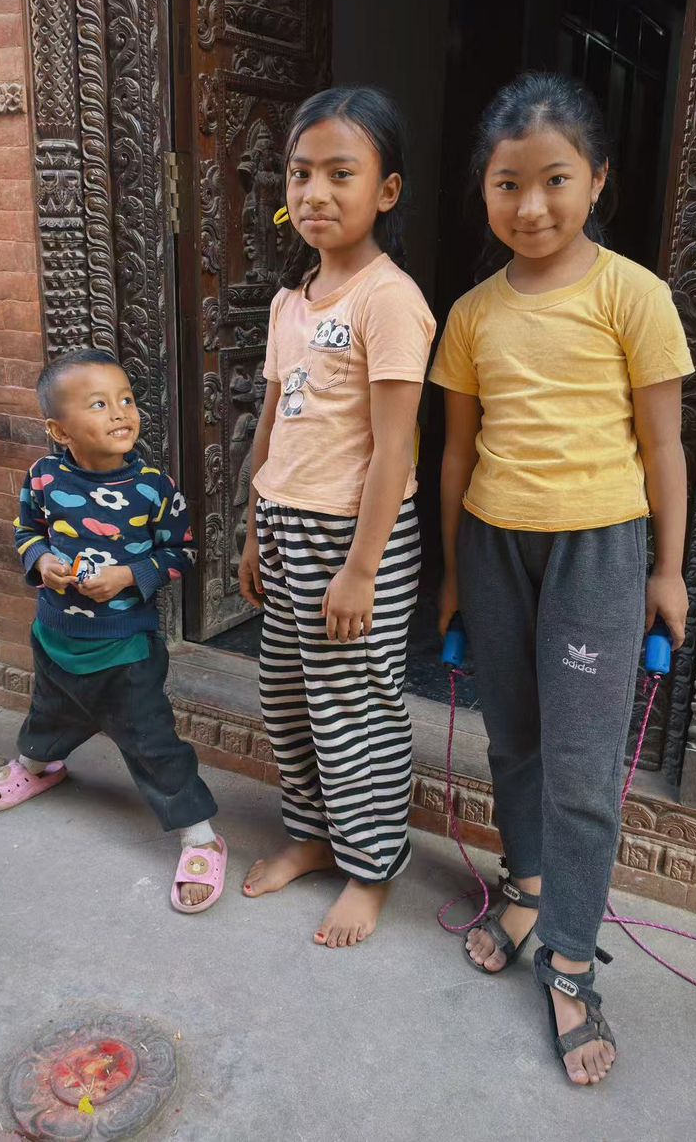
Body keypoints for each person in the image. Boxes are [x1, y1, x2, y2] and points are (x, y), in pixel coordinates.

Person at [431, 72, 693, 1084]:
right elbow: (456, 453)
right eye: (508, 184)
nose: (531, 205)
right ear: (484, 190)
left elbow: (663, 446)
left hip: (598, 552)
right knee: (516, 741)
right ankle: (528, 887)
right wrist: (453, 573)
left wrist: (668, 571)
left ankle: (573, 960)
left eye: (554, 180)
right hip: (495, 547)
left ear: (597, 180)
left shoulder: (634, 293)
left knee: (582, 767)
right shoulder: (471, 313)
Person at [238, 87, 436, 947]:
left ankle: (370, 865)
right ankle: (315, 835)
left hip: (355, 540)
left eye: (340, 174)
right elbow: (271, 426)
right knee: (288, 695)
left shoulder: (388, 300)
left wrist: (361, 568)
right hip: (285, 527)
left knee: (355, 705)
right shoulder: (291, 301)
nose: (315, 192)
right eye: (301, 173)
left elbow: (394, 450)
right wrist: (253, 529)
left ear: (386, 191)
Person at [0, 348, 227, 913]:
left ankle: (199, 836)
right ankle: (38, 765)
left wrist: (129, 576)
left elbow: (182, 552)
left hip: (126, 646)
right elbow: (26, 530)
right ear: (58, 430)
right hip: (54, 633)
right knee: (49, 710)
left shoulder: (154, 487)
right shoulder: (43, 477)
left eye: (126, 399)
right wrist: (41, 560)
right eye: (98, 404)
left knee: (151, 743)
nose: (120, 413)